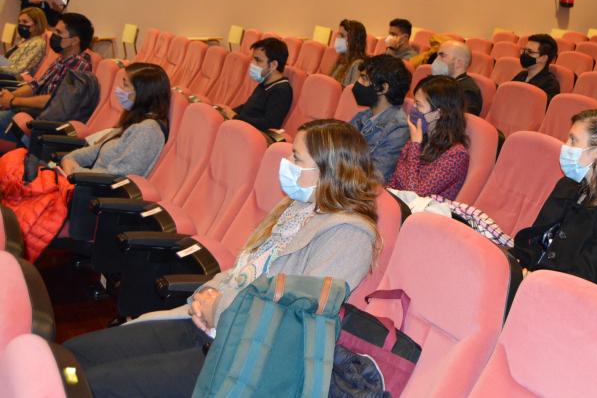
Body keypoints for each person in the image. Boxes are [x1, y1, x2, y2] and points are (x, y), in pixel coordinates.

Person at [64, 119, 381, 398]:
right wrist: (205, 296)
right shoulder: (295, 208)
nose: (287, 163)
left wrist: (218, 308)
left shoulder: (350, 235)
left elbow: (293, 317)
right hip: (208, 324)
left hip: (242, 355)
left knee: (91, 384)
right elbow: (241, 270)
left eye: (296, 158)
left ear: (327, 170)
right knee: (74, 356)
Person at [511, 110, 597, 287]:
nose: (566, 146)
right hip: (529, 276)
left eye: (573, 140)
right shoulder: (568, 184)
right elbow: (536, 239)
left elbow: (588, 275)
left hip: (560, 293)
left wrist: (533, 280)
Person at [62, 63, 171, 242]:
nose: (119, 90)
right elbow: (100, 148)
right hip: (85, 186)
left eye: (126, 85)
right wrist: (70, 158)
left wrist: (76, 173)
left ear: (144, 92)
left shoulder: (148, 131)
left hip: (98, 201)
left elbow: (121, 176)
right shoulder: (135, 121)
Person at [0, 12, 93, 142]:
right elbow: (36, 86)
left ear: (75, 40)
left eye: (59, 33)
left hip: (41, 121)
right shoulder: (62, 59)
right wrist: (7, 98)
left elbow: (53, 100)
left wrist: (13, 101)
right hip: (29, 110)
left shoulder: (78, 67)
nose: (54, 36)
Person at [390, 75, 470, 200]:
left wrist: (415, 145)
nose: (413, 108)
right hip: (397, 204)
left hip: (420, 215)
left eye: (418, 104)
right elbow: (395, 180)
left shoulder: (456, 154)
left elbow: (414, 195)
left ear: (438, 113)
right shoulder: (422, 137)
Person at [350, 55, 412, 182]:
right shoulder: (363, 116)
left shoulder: (399, 129)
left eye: (364, 78)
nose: (357, 84)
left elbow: (375, 177)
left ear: (383, 88)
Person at [217, 38, 292, 132]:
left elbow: (269, 124)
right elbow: (249, 107)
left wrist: (235, 117)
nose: (252, 64)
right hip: (241, 128)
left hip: (251, 136)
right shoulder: (265, 83)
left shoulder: (281, 90)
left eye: (258, 60)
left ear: (273, 65)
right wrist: (228, 111)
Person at [431, 40, 483, 116]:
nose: (436, 60)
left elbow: (457, 124)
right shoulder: (442, 82)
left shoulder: (467, 92)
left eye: (442, 55)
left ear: (459, 63)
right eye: (437, 55)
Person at [0, 7, 48, 78]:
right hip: (5, 74)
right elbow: (8, 61)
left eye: (25, 22)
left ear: (37, 24)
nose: (20, 24)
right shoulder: (25, 40)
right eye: (19, 21)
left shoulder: (38, 43)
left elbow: (18, 69)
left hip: (13, 79)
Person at [513, 33, 560, 105]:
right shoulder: (521, 75)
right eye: (524, 50)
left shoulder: (550, 85)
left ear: (543, 58)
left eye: (529, 52)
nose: (524, 54)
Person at [331, 19, 367, 86]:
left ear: (353, 39)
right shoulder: (342, 59)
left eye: (342, 35)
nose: (337, 38)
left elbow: (351, 94)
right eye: (338, 34)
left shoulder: (358, 64)